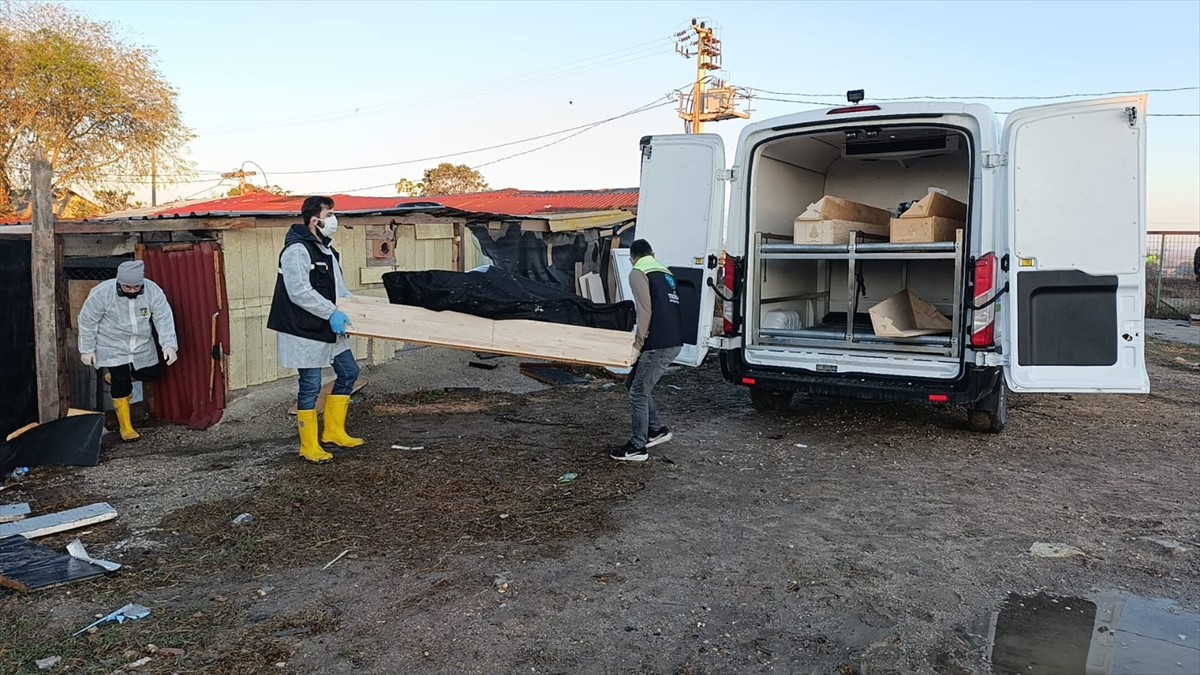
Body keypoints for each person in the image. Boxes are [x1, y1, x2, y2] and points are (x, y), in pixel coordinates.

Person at [267, 195, 362, 464]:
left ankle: (333, 431)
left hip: (329, 327)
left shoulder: (327, 249)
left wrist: (353, 310)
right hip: (304, 329)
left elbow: (338, 288)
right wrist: (331, 312)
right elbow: (299, 291)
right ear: (314, 220)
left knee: (349, 372)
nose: (334, 220)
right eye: (330, 214)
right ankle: (308, 445)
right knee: (310, 384)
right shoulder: (296, 250)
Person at [77, 260, 179, 442]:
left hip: (141, 343)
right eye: (127, 287)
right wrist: (87, 349)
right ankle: (126, 427)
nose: (132, 290)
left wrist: (168, 344)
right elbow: (87, 321)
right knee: (121, 383)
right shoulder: (102, 293)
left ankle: (114, 377)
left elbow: (163, 316)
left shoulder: (152, 290)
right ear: (119, 282)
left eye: (136, 287)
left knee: (151, 373)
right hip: (112, 344)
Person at [613, 239, 684, 462]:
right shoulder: (665, 273)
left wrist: (638, 343)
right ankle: (657, 430)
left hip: (658, 344)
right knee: (632, 384)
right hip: (673, 340)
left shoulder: (638, 272)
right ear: (652, 253)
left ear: (632, 257)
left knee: (638, 392)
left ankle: (637, 447)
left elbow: (645, 311)